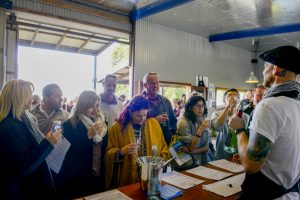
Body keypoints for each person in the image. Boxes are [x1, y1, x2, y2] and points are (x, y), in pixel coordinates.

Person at [229, 45, 300, 200]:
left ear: (277, 69)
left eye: (266, 66)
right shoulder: (296, 105)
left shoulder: (269, 106)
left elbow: (251, 165)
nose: (262, 72)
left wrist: (239, 130)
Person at [0, 79, 61, 200]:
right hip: (21, 190)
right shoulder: (8, 127)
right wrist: (48, 143)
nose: (32, 98)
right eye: (29, 94)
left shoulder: (25, 119)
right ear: (18, 97)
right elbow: (23, 166)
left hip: (30, 185)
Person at [105, 95, 168, 189]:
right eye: (138, 116)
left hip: (150, 176)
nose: (142, 119)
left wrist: (161, 160)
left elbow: (163, 146)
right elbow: (108, 153)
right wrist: (121, 151)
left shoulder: (153, 123)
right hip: (127, 177)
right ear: (130, 112)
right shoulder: (117, 128)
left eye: (145, 115)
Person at [56, 91, 107, 199]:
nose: (96, 110)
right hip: (78, 175)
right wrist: (88, 135)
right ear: (82, 106)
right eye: (91, 106)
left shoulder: (101, 122)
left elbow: (104, 147)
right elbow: (71, 151)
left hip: (97, 173)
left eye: (97, 105)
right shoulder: (69, 124)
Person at [176, 96, 212, 169]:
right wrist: (200, 130)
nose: (201, 108)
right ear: (191, 107)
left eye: (202, 106)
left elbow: (206, 147)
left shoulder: (202, 120)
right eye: (197, 105)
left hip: (202, 160)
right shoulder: (183, 123)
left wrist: (193, 151)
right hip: (188, 163)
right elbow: (190, 148)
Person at [142, 72, 177, 145]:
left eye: (157, 83)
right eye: (152, 83)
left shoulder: (165, 101)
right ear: (145, 85)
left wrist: (173, 139)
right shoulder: (139, 102)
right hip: (147, 143)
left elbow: (173, 122)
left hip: (165, 143)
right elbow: (134, 125)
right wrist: (154, 121)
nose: (155, 86)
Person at [210, 88, 240, 160]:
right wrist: (227, 108)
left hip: (238, 155)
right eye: (229, 96)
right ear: (224, 100)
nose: (232, 98)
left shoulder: (243, 116)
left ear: (238, 100)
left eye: (236, 96)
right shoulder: (216, 114)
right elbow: (217, 127)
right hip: (221, 154)